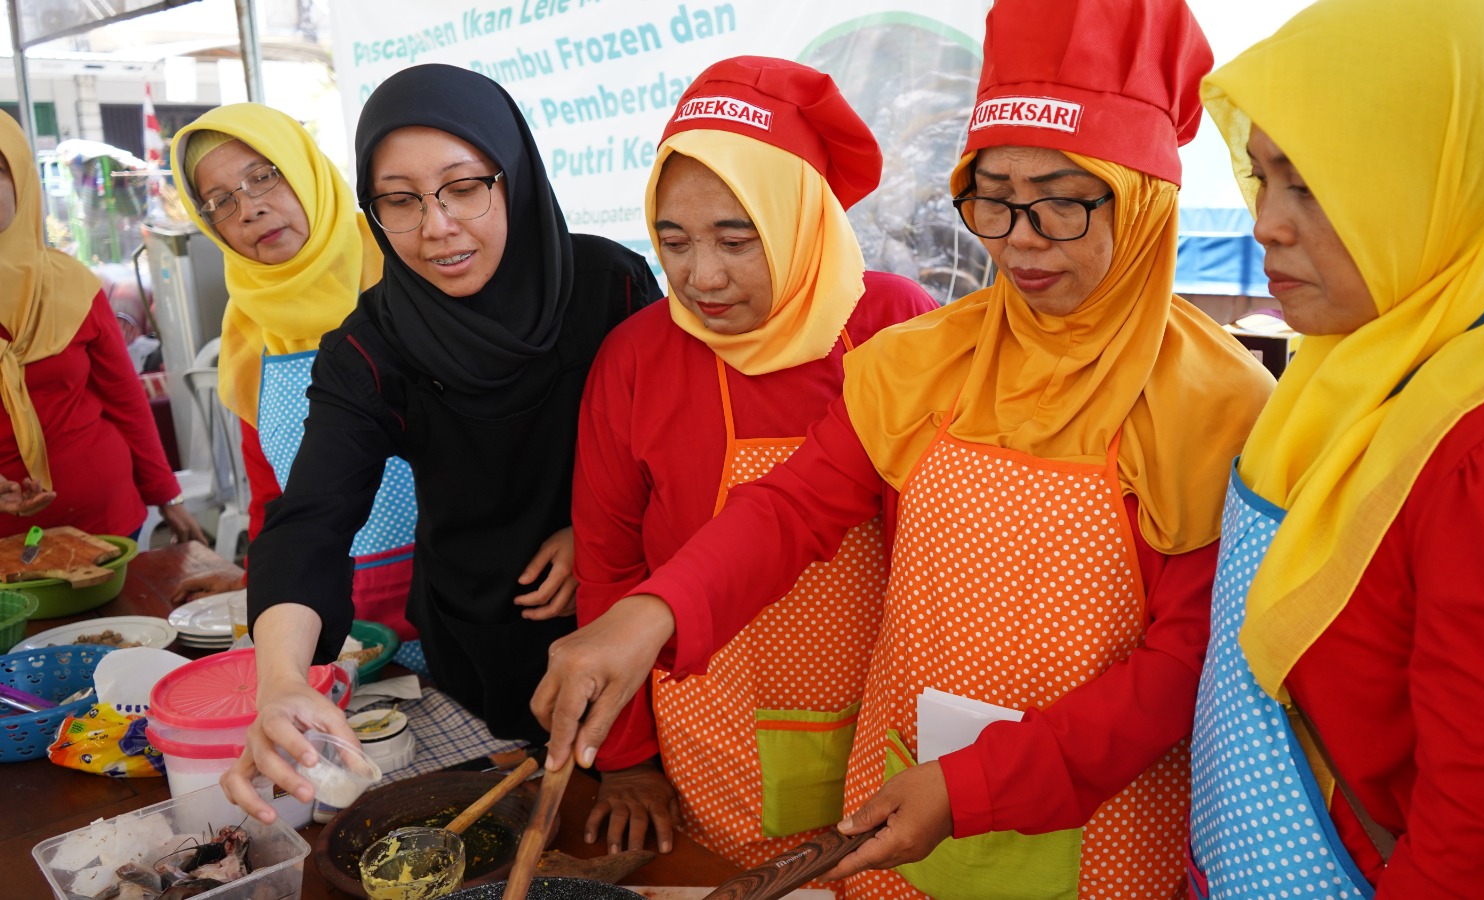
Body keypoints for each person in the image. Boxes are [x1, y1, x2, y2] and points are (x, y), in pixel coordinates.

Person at [534, 1, 1276, 896]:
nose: (1020, 242)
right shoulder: (926, 358)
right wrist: (652, 614)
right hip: (907, 775)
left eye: (1064, 206)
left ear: (1148, 202)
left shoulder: (1218, 402)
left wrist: (975, 786)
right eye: (992, 201)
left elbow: (1180, 664)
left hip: (1090, 815)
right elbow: (795, 507)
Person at [1185, 0, 1484, 897]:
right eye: (1262, 179)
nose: (1266, 225)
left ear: (1449, 179)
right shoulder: (1351, 365)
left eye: (1313, 182)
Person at [216, 64, 660, 823]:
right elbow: (312, 518)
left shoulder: (609, 287)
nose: (437, 227)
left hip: (633, 621)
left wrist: (597, 533)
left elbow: (676, 455)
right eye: (400, 201)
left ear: (511, 175)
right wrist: (284, 680)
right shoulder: (370, 345)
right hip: (477, 639)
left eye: (463, 187)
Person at [575, 57, 937, 866]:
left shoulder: (897, 325)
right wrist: (628, 760)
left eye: (738, 240)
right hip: (719, 729)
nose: (702, 277)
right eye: (673, 241)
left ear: (801, 219)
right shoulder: (634, 357)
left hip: (891, 721)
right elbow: (608, 566)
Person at [168, 105, 418, 641]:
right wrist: (260, 583)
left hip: (461, 598)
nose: (250, 210)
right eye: (220, 201)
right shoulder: (246, 328)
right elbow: (271, 496)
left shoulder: (410, 265)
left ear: (305, 168)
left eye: (263, 176)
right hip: (335, 627)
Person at [0, 113, 206, 543]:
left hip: (106, 524)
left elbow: (125, 398)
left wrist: (168, 495)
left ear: (19, 179)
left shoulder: (71, 285)